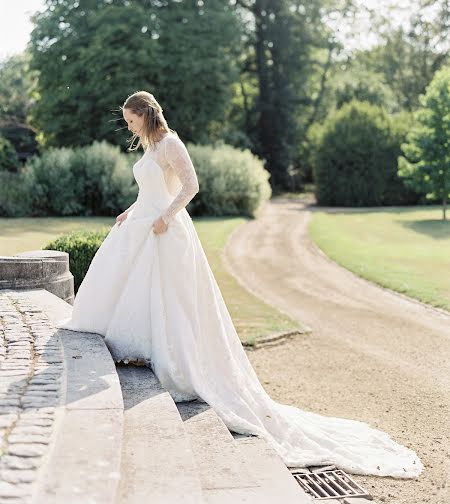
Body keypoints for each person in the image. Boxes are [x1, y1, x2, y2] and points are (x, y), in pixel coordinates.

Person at [57, 90, 423, 478]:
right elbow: (150, 189)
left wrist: (165, 217)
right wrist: (130, 211)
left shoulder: (170, 143)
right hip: (142, 225)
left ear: (145, 116)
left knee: (169, 299)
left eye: (131, 121)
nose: (128, 127)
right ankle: (139, 349)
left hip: (165, 231)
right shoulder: (151, 147)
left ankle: (172, 360)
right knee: (137, 292)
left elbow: (189, 186)